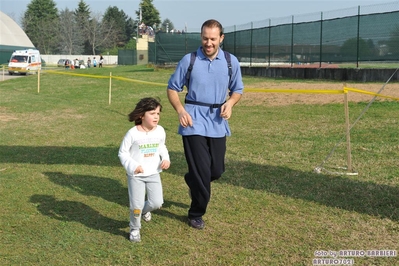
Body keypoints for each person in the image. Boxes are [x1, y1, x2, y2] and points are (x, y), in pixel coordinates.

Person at [167, 19, 244, 230]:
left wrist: (230, 103)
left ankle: (192, 180)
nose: (208, 43)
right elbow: (172, 89)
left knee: (216, 170)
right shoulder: (188, 60)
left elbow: (238, 90)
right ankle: (196, 213)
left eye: (212, 39)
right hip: (193, 121)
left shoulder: (231, 62)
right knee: (202, 170)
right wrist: (181, 111)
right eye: (204, 38)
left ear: (221, 38)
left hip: (218, 122)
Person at [118, 97, 170, 242]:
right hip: (136, 176)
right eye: (152, 113)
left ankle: (144, 212)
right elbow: (122, 153)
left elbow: (162, 146)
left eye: (158, 114)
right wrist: (134, 166)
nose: (156, 117)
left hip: (153, 173)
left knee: (157, 203)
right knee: (136, 206)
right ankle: (134, 228)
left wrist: (165, 159)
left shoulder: (160, 131)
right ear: (141, 115)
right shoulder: (133, 133)